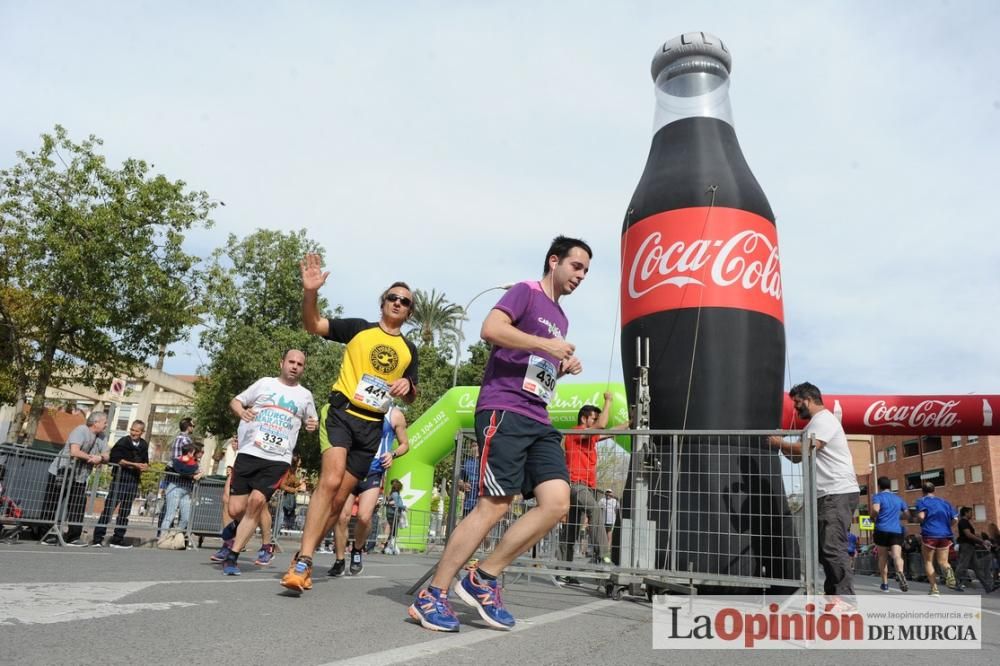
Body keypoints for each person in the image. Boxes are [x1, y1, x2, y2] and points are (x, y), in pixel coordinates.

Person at [409, 235, 591, 632]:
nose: (581, 276)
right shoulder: (526, 292)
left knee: (557, 503)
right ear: (554, 261)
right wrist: (547, 344)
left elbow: (535, 367)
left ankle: (483, 577)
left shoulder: (561, 318)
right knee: (495, 505)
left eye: (587, 272)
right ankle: (433, 595)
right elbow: (490, 329)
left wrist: (559, 367)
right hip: (503, 408)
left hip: (537, 414)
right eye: (576, 266)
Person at [281, 254, 418, 593]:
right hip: (342, 413)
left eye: (405, 301)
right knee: (330, 480)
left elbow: (413, 393)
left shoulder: (409, 350)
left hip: (372, 427)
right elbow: (313, 325)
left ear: (410, 312)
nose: (398, 303)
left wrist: (408, 387)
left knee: (340, 497)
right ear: (382, 303)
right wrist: (310, 293)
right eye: (393, 298)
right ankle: (305, 562)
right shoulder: (359, 330)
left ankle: (303, 554)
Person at [214, 349, 318, 576]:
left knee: (257, 502)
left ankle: (233, 557)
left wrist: (312, 426)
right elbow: (235, 401)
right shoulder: (264, 384)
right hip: (250, 452)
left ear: (303, 368)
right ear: (281, 363)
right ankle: (235, 528)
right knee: (234, 509)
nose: (294, 366)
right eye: (291, 362)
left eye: (299, 364)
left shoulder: (305, 395)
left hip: (278, 459)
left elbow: (313, 421)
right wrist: (241, 412)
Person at [769, 382, 860, 601]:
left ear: (808, 400)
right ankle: (834, 598)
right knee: (824, 550)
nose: (796, 408)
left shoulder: (824, 420)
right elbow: (797, 456)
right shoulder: (812, 426)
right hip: (825, 494)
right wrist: (781, 445)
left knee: (832, 548)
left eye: (797, 403)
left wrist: (779, 441)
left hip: (836, 492)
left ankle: (845, 600)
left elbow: (807, 449)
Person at [328, 405, 410, 577]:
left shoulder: (395, 415)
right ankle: (339, 559)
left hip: (373, 470)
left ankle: (357, 550)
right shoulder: (356, 407)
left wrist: (392, 454)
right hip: (350, 468)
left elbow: (405, 444)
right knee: (342, 516)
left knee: (364, 517)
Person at [560, 393, 617, 571]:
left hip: (586, 487)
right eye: (593, 418)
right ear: (584, 419)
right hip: (576, 485)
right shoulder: (576, 432)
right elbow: (602, 425)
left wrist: (630, 423)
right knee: (594, 510)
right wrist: (608, 401)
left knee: (572, 529)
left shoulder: (589, 437)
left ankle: (563, 569)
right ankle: (604, 556)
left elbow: (608, 431)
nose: (596, 421)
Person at [40, 412, 109, 545]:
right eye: (104, 422)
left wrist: (100, 458)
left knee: (77, 505)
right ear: (96, 422)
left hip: (80, 476)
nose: (106, 425)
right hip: (62, 471)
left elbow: (107, 455)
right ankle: (45, 534)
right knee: (52, 503)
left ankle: (73, 537)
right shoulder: (80, 430)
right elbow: (74, 451)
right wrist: (92, 458)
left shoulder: (102, 437)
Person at [91, 420, 149, 548]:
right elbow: (117, 459)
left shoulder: (144, 445)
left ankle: (118, 539)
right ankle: (97, 538)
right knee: (109, 509)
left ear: (142, 432)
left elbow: (146, 461)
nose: (134, 433)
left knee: (125, 511)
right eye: (132, 430)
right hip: (120, 479)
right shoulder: (123, 441)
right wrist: (134, 465)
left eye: (137, 431)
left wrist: (145, 466)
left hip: (133, 480)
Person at [915, 481, 959, 596]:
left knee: (928, 561)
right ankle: (949, 571)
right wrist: (946, 526)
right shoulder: (945, 502)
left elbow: (921, 516)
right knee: (943, 561)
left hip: (930, 534)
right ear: (934, 490)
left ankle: (934, 589)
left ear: (922, 491)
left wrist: (919, 521)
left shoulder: (921, 501)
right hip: (945, 534)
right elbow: (955, 519)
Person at [870, 475, 909, 592]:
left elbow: (876, 509)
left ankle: (885, 584)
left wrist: (872, 517)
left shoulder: (878, 496)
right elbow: (907, 515)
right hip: (896, 530)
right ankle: (900, 572)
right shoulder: (899, 499)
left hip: (882, 529)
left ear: (879, 486)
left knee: (883, 557)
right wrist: (897, 516)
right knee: (897, 555)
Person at [158, 443, 204, 541]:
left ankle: (174, 536)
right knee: (169, 515)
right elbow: (178, 471)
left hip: (187, 491)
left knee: (186, 518)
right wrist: (193, 475)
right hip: (174, 488)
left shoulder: (195, 463)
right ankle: (162, 538)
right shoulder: (176, 461)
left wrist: (200, 474)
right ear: (191, 452)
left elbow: (199, 472)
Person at [955, 506, 994, 593]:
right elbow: (968, 535)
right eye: (970, 512)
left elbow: (971, 535)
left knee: (977, 568)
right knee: (963, 565)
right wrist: (982, 542)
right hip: (966, 546)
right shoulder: (963, 522)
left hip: (970, 546)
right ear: (965, 513)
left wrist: (981, 541)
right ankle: (955, 583)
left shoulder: (966, 522)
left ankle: (987, 587)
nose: (972, 514)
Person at [383, 478, 407, 555]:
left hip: (390, 513)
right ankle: (388, 546)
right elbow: (397, 503)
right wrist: (404, 507)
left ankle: (387, 546)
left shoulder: (391, 493)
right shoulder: (395, 494)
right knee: (393, 531)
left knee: (392, 531)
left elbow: (390, 502)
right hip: (394, 514)